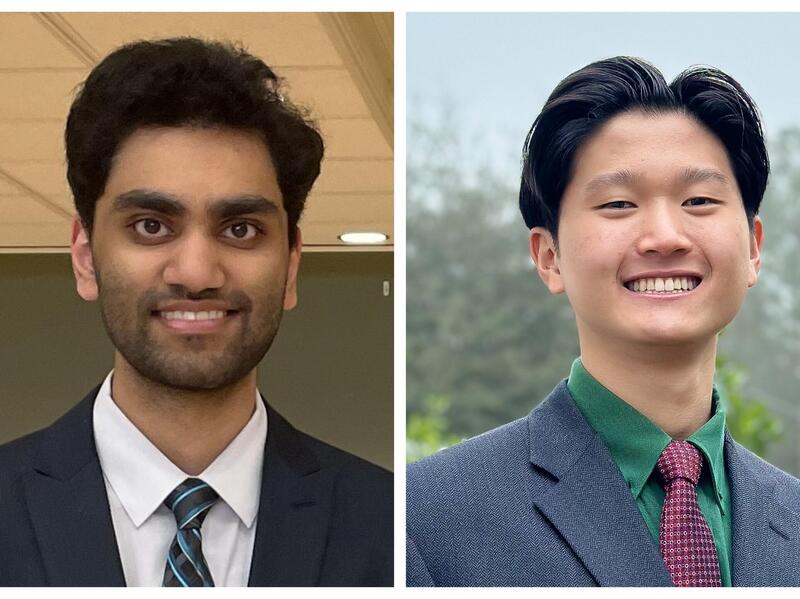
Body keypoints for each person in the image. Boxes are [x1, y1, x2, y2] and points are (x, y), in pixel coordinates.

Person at [0, 37, 392, 587]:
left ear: (291, 265)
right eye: (151, 226)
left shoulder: (392, 528)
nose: (197, 273)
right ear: (86, 257)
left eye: (240, 230)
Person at [406, 56, 800, 587]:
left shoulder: (792, 517)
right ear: (549, 257)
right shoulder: (427, 517)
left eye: (699, 200)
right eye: (618, 203)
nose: (664, 236)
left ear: (753, 248)